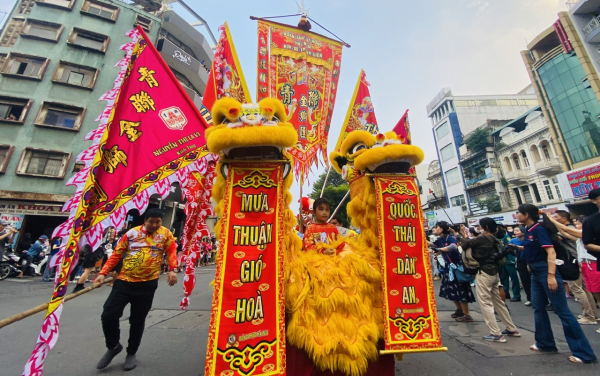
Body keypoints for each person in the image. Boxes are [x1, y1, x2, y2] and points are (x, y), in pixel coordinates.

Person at [95, 209, 178, 371]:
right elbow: (116, 254)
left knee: (137, 320)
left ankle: (131, 352)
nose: (154, 225)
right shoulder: (131, 234)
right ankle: (113, 346)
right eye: (151, 222)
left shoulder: (166, 235)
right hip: (124, 281)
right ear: (145, 221)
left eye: (158, 222)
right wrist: (102, 273)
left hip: (147, 284)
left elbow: (171, 253)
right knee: (108, 314)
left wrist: (172, 270)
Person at [517, 204, 596, 364]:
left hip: (546, 270)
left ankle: (584, 353)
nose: (517, 215)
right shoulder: (529, 230)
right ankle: (545, 343)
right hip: (535, 271)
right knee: (538, 308)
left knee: (563, 311)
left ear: (526, 214)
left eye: (518, 213)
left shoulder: (539, 229)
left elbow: (551, 251)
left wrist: (551, 275)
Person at [460, 218, 520, 342]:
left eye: (480, 226)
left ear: (485, 227)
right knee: (498, 302)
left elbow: (465, 244)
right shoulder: (494, 239)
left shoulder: (482, 238)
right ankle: (511, 328)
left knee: (485, 302)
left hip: (483, 273)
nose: (478, 228)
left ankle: (495, 333)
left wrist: (462, 235)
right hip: (494, 272)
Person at [549, 211, 597, 325]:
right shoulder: (575, 232)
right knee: (586, 289)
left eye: (578, 223)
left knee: (577, 289)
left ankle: (590, 316)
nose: (576, 225)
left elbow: (564, 233)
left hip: (582, 262)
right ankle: (592, 314)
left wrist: (551, 221)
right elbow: (565, 233)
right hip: (582, 262)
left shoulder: (582, 232)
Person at [430, 221, 475, 322]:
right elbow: (432, 245)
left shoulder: (450, 238)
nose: (435, 229)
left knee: (461, 290)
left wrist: (440, 249)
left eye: (437, 227)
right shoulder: (440, 239)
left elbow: (453, 247)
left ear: (441, 229)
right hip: (449, 268)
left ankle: (466, 314)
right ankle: (459, 310)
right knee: (450, 290)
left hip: (456, 267)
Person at [510, 226, 532, 306]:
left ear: (523, 232)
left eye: (517, 230)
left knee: (533, 281)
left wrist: (516, 247)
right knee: (525, 281)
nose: (515, 232)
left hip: (529, 261)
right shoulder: (513, 240)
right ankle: (530, 298)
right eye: (514, 230)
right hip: (520, 262)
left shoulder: (528, 240)